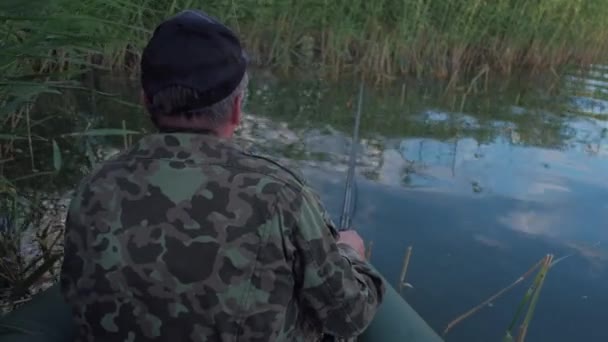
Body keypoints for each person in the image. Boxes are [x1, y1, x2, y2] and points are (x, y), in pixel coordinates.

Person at [59, 9, 385, 342]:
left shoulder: (95, 186)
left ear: (146, 101)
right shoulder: (280, 195)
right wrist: (349, 253)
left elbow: (74, 292)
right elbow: (349, 316)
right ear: (237, 108)